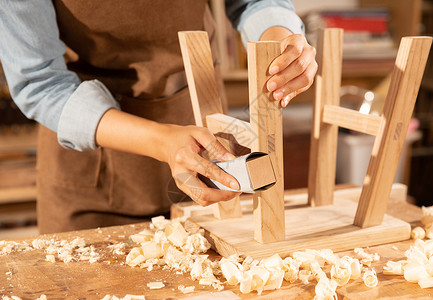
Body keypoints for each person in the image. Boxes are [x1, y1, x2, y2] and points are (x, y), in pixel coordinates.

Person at [0, 0, 317, 234]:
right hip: (90, 163)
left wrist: (282, 45)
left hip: (200, 124)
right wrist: (163, 141)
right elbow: (39, 82)